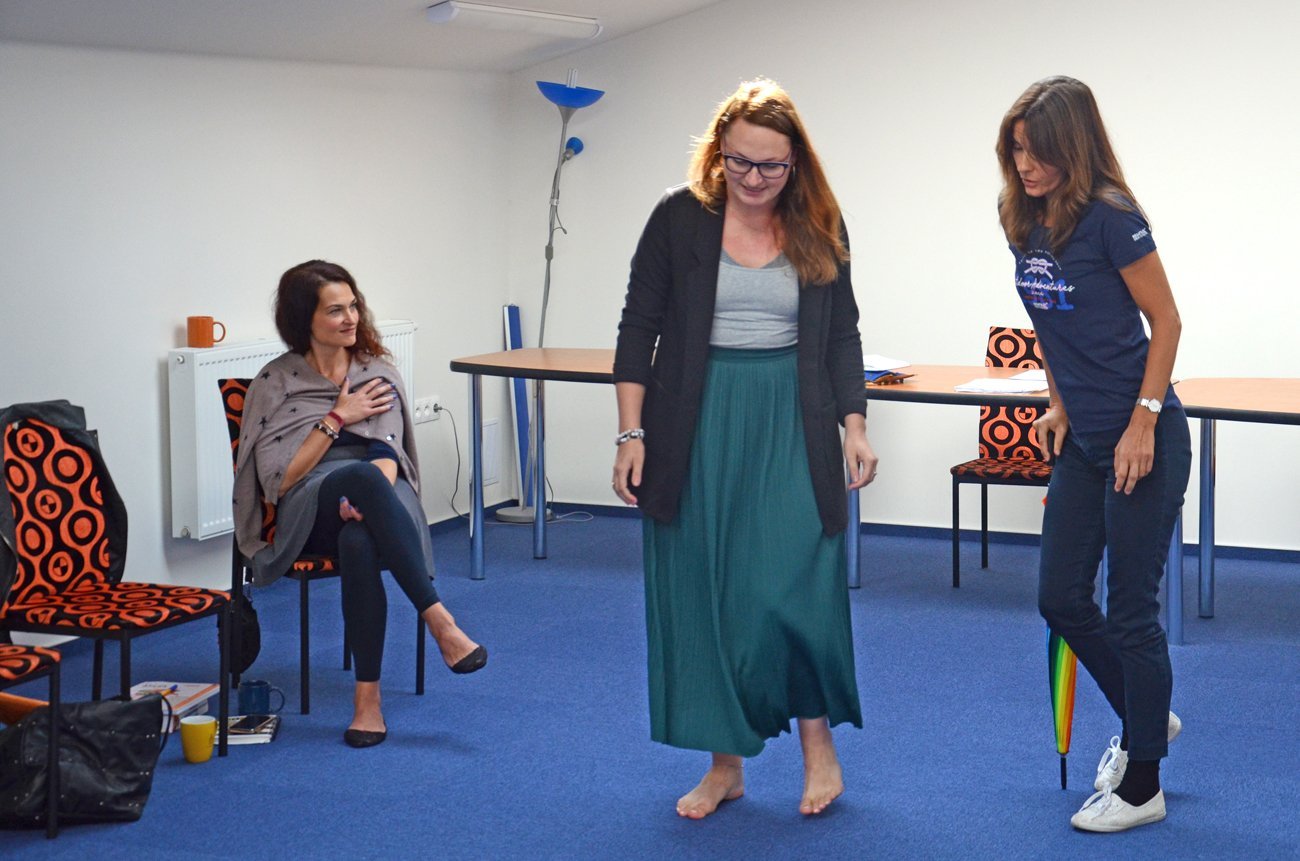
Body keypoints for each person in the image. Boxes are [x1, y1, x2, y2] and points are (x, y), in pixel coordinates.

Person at [612, 79, 878, 819]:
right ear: (717, 153)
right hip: (694, 421)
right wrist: (631, 433)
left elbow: (844, 333)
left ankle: (819, 748)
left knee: (793, 587)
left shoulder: (820, 221)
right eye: (740, 162)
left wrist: (855, 424)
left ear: (797, 163)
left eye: (771, 165)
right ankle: (724, 764)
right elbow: (638, 328)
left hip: (791, 420)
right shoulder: (679, 218)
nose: (754, 179)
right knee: (709, 590)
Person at [997, 77, 1191, 832]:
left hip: (1144, 439)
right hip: (1084, 438)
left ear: (1073, 147)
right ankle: (1148, 716)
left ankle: (1143, 785)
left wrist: (1143, 421)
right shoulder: (1021, 217)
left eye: (1039, 151)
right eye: (1016, 149)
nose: (1026, 165)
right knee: (1060, 597)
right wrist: (1058, 400)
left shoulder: (1112, 217)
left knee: (1131, 612)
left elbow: (1167, 321)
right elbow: (1046, 321)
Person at [233, 260, 487, 749]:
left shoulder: (376, 371)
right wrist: (336, 417)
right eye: (335, 310)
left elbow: (387, 454)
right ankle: (440, 620)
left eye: (353, 306)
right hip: (309, 506)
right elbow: (281, 479)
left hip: (376, 499)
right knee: (356, 478)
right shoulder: (276, 382)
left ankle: (367, 702)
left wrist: (366, 498)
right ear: (303, 318)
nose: (350, 318)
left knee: (359, 536)